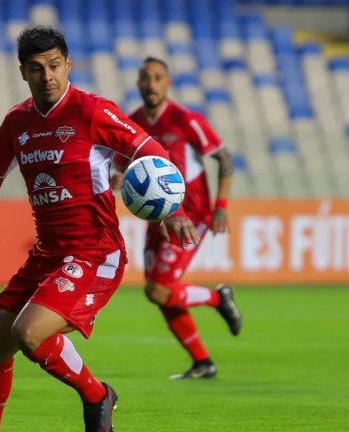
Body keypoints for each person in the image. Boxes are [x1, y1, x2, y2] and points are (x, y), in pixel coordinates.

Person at [0, 26, 200, 432]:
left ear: (68, 64)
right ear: (23, 72)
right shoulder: (17, 122)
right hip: (46, 254)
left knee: (28, 333)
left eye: (54, 65)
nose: (47, 76)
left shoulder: (92, 111)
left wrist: (173, 208)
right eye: (37, 68)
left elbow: (150, 150)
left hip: (95, 252)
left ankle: (97, 395)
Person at [116, 56, 243, 380]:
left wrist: (221, 206)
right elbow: (120, 166)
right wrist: (118, 177)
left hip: (191, 214)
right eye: (146, 78)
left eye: (158, 77)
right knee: (161, 295)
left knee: (158, 290)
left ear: (168, 83)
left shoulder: (187, 120)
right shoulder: (132, 123)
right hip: (156, 218)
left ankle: (217, 298)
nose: (152, 84)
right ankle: (203, 362)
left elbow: (225, 159)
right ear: (138, 84)